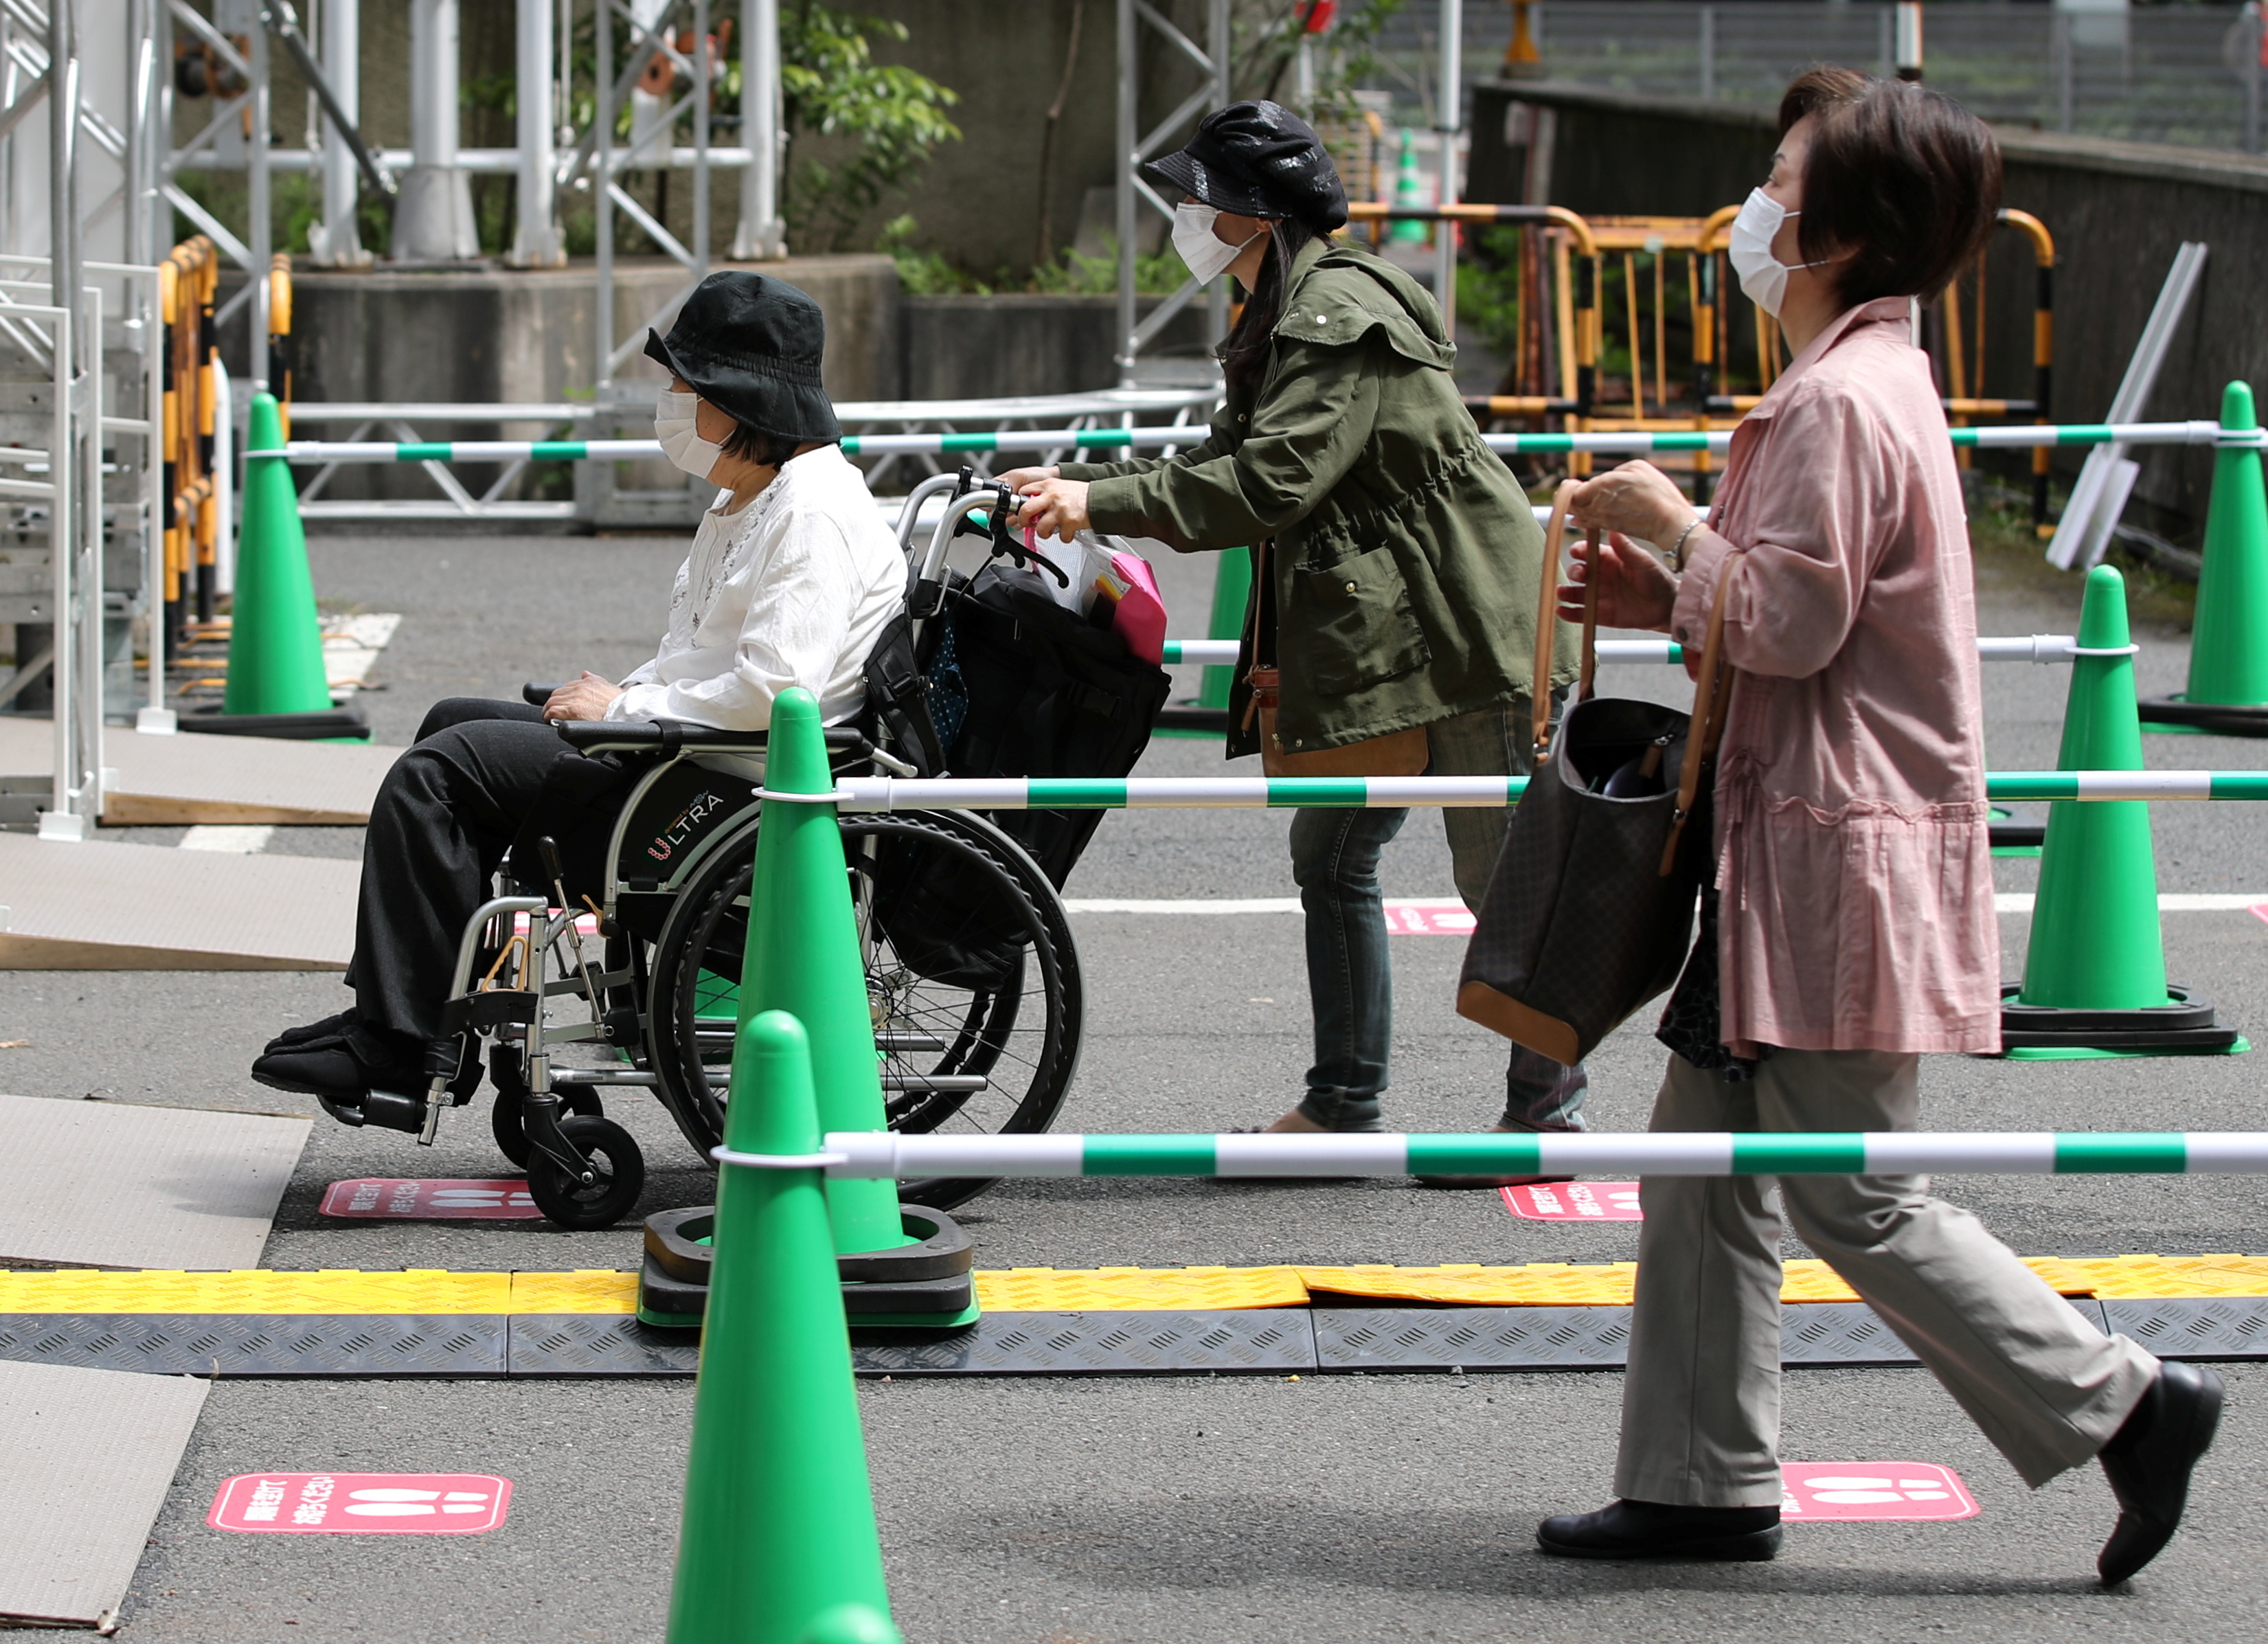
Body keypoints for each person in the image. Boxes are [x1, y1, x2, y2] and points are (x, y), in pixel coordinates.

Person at [1535, 69, 2219, 1585]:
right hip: (1794, 848)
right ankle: (1701, 1480)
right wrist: (1677, 597)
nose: (1757, 205)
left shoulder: (1844, 396)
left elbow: (1788, 616)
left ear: (1841, 227)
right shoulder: (1856, 380)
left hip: (1838, 855)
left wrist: (1666, 529)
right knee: (1704, 1173)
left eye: (1781, 179)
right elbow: (1795, 615)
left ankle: (2127, 1399)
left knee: (1855, 1185)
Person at [1008, 100, 1583, 1180]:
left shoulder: (1336, 307)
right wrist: (1089, 490)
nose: (1180, 218)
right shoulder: (1273, 303)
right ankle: (1341, 1101)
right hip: (1376, 627)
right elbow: (1232, 456)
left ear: (1251, 215)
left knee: (1495, 872)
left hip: (1467, 618)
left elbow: (1272, 481)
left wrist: (1099, 503)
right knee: (1331, 854)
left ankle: (1545, 1113)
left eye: (1195, 203)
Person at [253, 271, 905, 1121]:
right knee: (451, 722)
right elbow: (709, 658)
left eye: (685, 386)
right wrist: (626, 698)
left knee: (440, 774)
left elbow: (776, 691)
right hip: (690, 755)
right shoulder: (758, 496)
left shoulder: (810, 515)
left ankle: (402, 1046)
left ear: (736, 403)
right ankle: (420, 1017)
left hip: (716, 782)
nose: (670, 402)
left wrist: (622, 713)